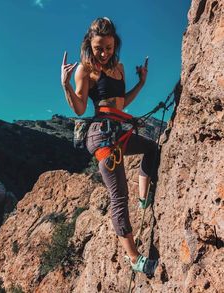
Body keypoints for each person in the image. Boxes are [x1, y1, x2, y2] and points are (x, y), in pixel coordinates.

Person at [61, 17, 158, 277]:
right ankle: (134, 258)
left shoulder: (121, 68)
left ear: (115, 44)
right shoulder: (85, 69)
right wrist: (66, 85)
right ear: (89, 45)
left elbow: (121, 103)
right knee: (118, 195)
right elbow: (80, 108)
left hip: (119, 131)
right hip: (101, 136)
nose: (103, 53)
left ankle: (143, 199)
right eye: (98, 48)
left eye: (108, 47)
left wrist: (141, 83)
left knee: (152, 148)